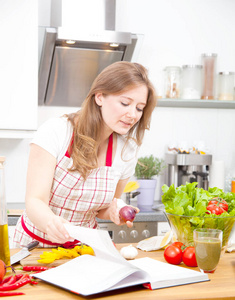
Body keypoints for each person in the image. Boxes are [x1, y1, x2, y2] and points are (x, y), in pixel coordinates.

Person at [13, 61, 157, 248]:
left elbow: (102, 209)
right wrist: (51, 223)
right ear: (99, 97)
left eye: (139, 108)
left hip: (83, 248)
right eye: (125, 103)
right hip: (33, 247)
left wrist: (114, 212)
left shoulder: (127, 150)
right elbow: (35, 200)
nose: (132, 115)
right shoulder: (57, 131)